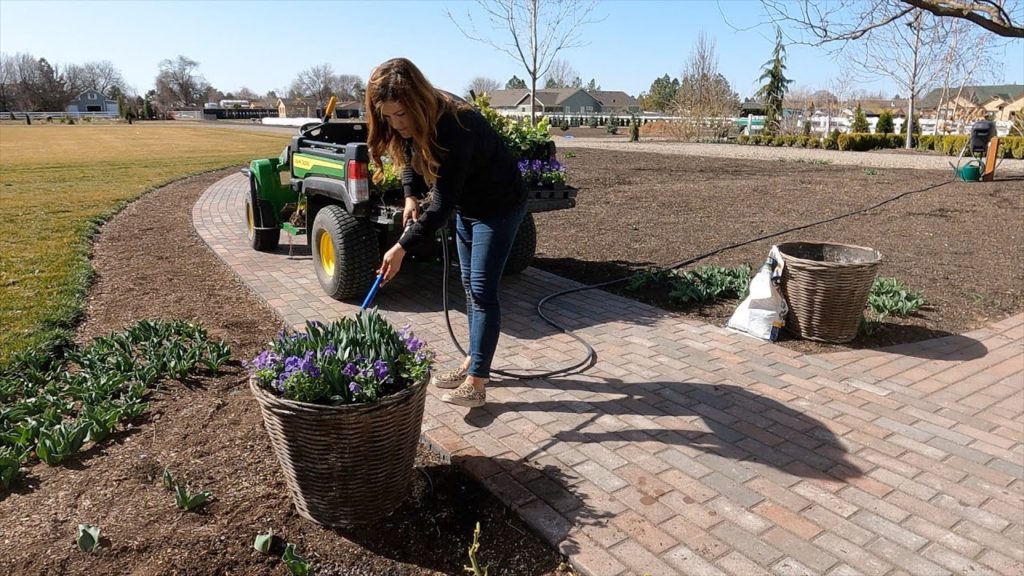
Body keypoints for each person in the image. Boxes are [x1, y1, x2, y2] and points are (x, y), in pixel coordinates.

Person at [366, 57, 527, 408]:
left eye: (401, 115)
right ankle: (474, 359)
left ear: (418, 104)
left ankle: (477, 383)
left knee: (483, 291)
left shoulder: (457, 124)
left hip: (499, 206)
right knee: (470, 286)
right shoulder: (411, 124)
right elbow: (408, 155)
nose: (395, 124)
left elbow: (440, 206)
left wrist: (400, 248)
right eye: (388, 116)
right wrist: (409, 195)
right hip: (469, 206)